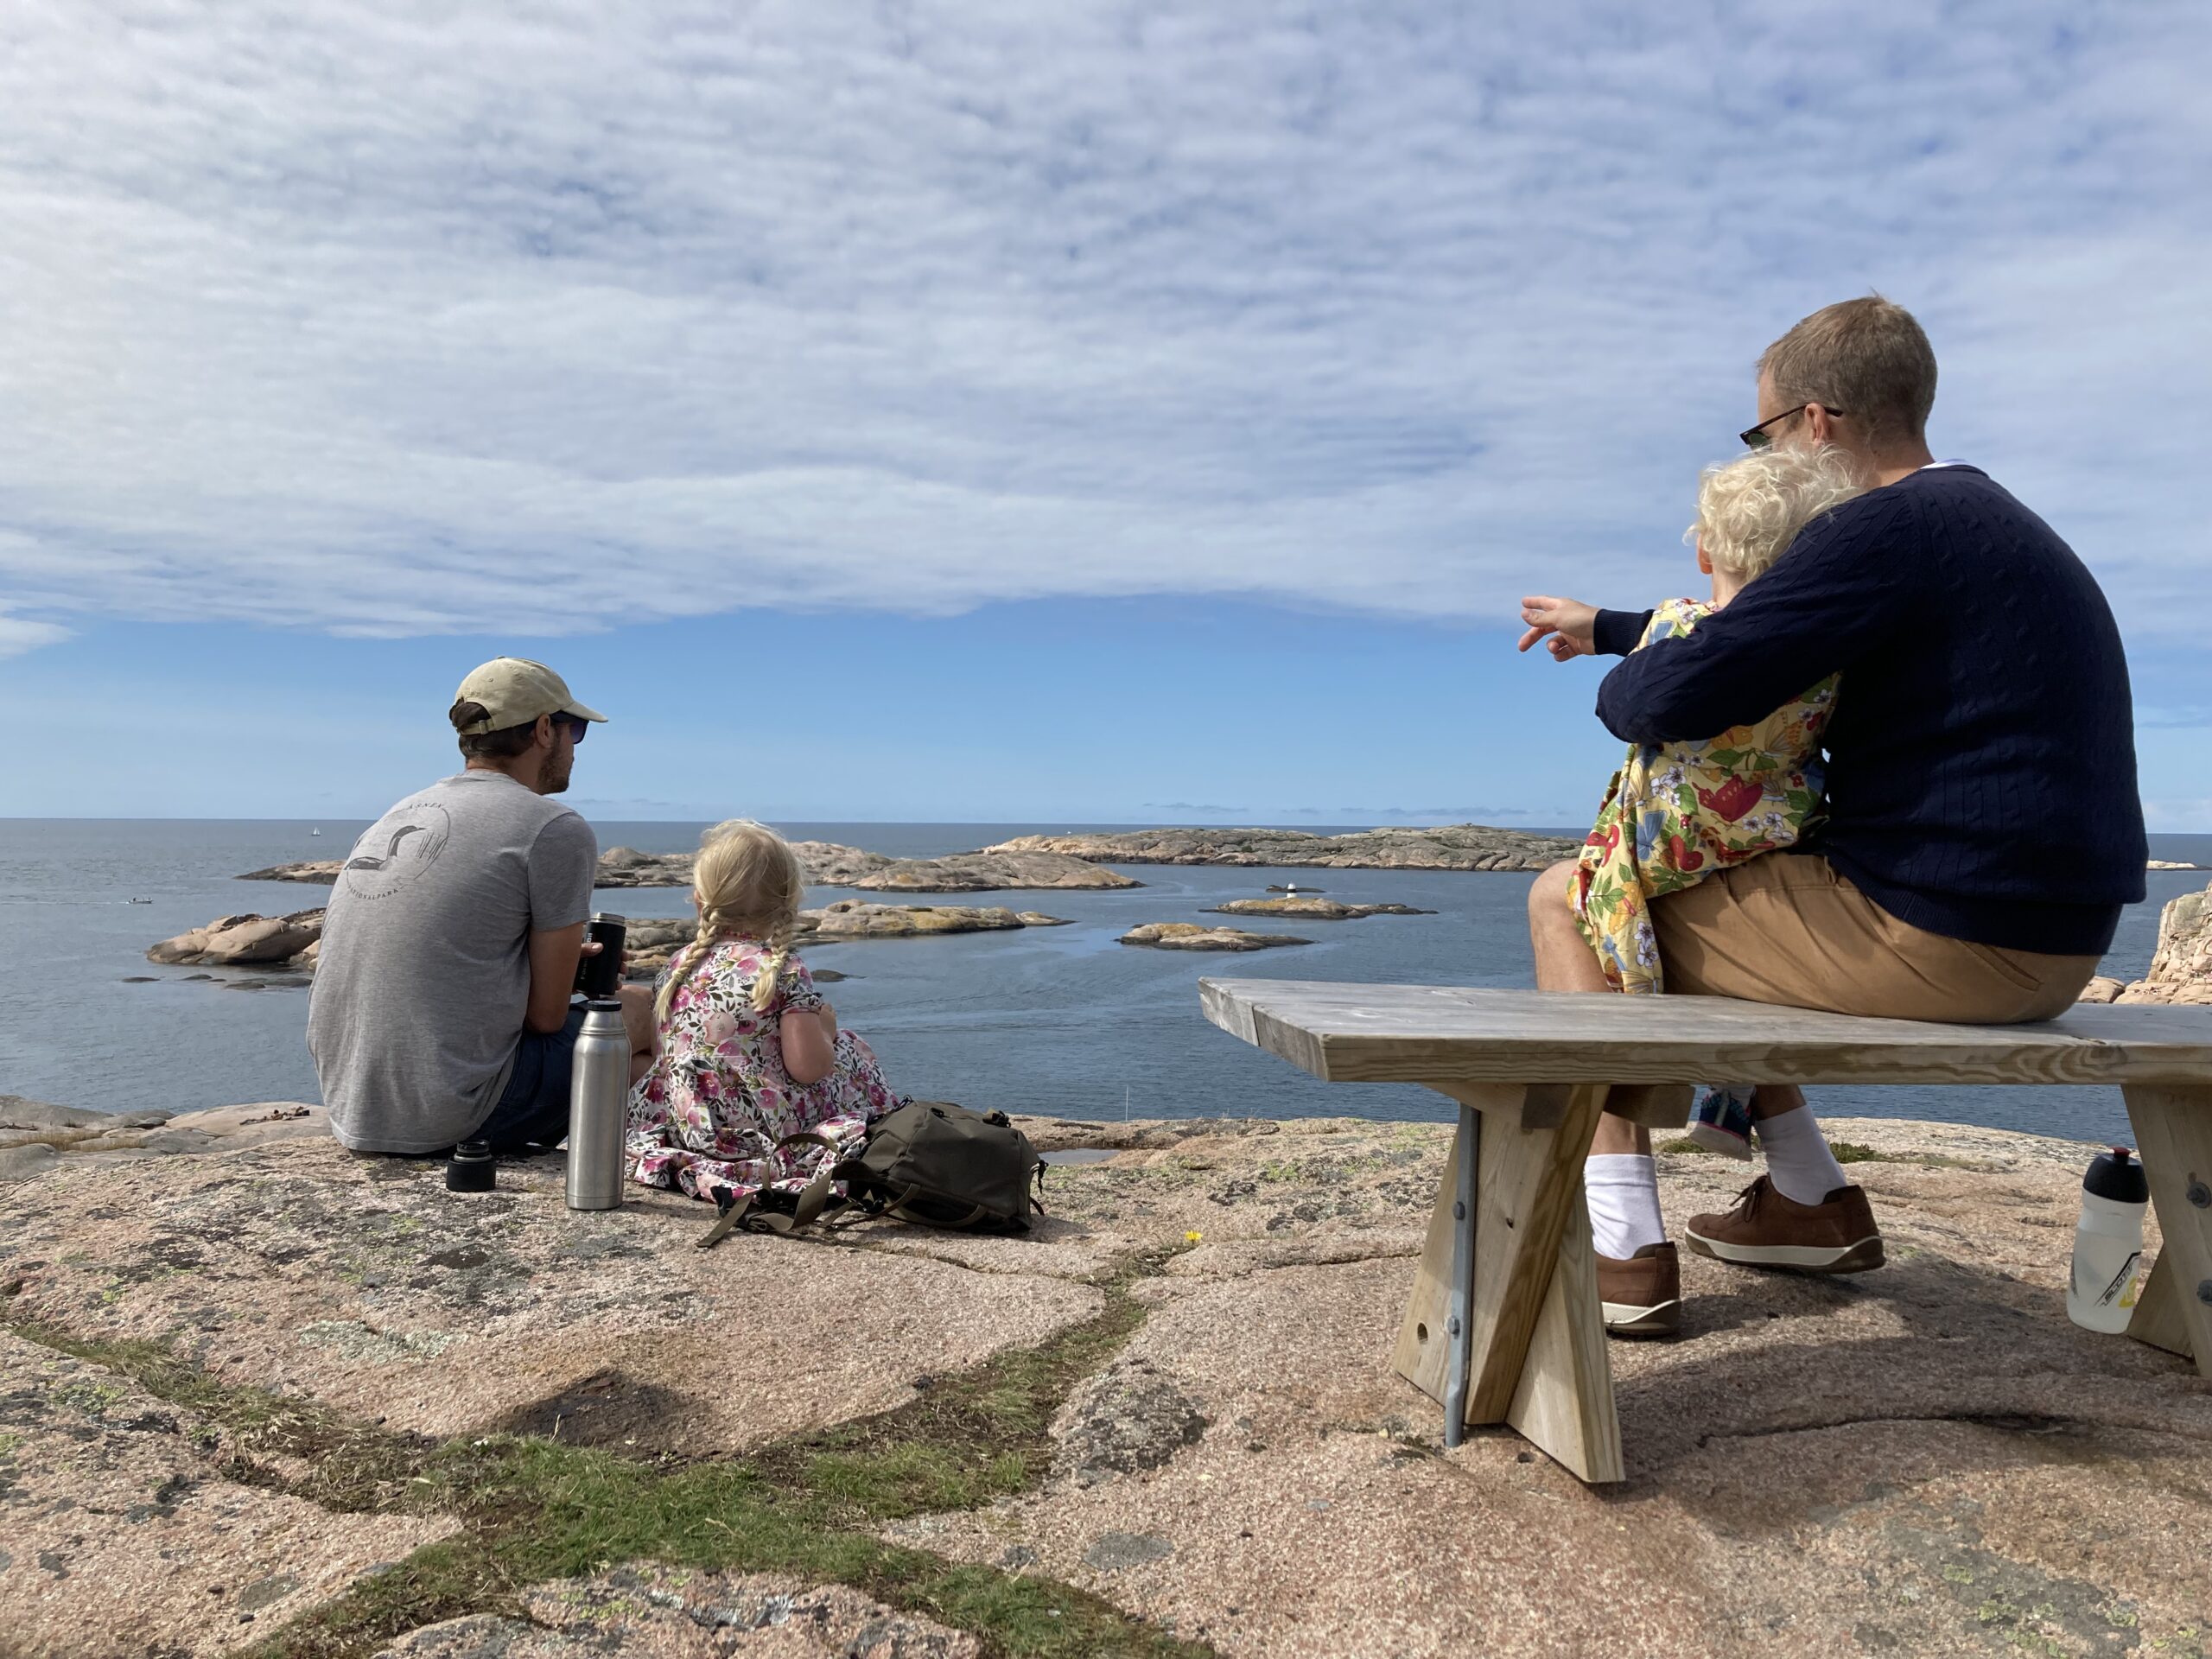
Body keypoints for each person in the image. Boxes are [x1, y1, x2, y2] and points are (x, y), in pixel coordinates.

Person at [1517, 296, 2146, 1337]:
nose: (1765, 458)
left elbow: (1673, 694)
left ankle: (1620, 1242)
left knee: (1579, 899)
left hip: (1946, 946)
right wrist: (1619, 626)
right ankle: (1807, 1199)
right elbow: (1776, 630)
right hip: (2055, 943)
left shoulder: (1879, 529)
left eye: (1761, 434)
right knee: (1745, 906)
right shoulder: (1981, 521)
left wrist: (1621, 674)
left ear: (1814, 424)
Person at [1567, 444, 1866, 1182]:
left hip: (1676, 840)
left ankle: (1625, 1224)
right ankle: (1744, 1115)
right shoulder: (1829, 658)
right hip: (1773, 835)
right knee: (1729, 946)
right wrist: (1599, 622)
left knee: (1589, 907)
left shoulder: (1680, 622)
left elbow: (1637, 687)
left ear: (1705, 554)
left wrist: (1605, 632)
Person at [308, 658, 654, 1156]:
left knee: (634, 1068)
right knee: (644, 1009)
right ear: (542, 731)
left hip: (353, 1106)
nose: (575, 748)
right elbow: (546, 1019)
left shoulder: (402, 811)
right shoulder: (555, 827)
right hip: (454, 1115)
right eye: (574, 730)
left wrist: (547, 966)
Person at [627, 819, 906, 1207]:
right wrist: (826, 1030)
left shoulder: (678, 966)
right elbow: (808, 1068)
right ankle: (880, 1125)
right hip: (760, 1128)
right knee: (851, 1048)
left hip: (687, 1123)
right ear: (788, 902)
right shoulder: (782, 969)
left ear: (698, 899)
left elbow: (665, 1055)